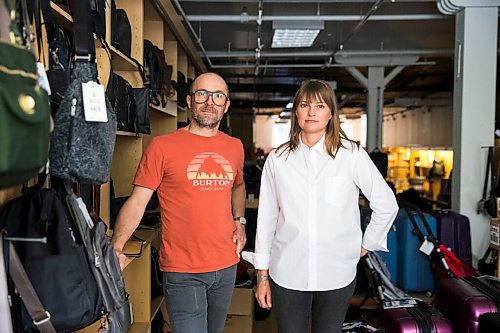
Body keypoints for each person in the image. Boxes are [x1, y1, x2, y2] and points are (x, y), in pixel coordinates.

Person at [242, 79, 398, 333]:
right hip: (287, 271)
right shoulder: (278, 160)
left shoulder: (351, 155)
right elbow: (267, 218)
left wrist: (367, 244)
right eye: (304, 105)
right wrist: (262, 276)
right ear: (296, 112)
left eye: (319, 105)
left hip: (337, 271)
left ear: (331, 113)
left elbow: (386, 203)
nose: (312, 112)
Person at [111, 72, 247, 333]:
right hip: (183, 270)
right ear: (189, 101)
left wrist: (239, 221)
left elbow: (238, 185)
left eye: (218, 96)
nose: (210, 102)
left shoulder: (235, 147)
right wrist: (116, 246)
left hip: (227, 265)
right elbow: (138, 202)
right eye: (202, 94)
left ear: (226, 105)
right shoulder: (162, 147)